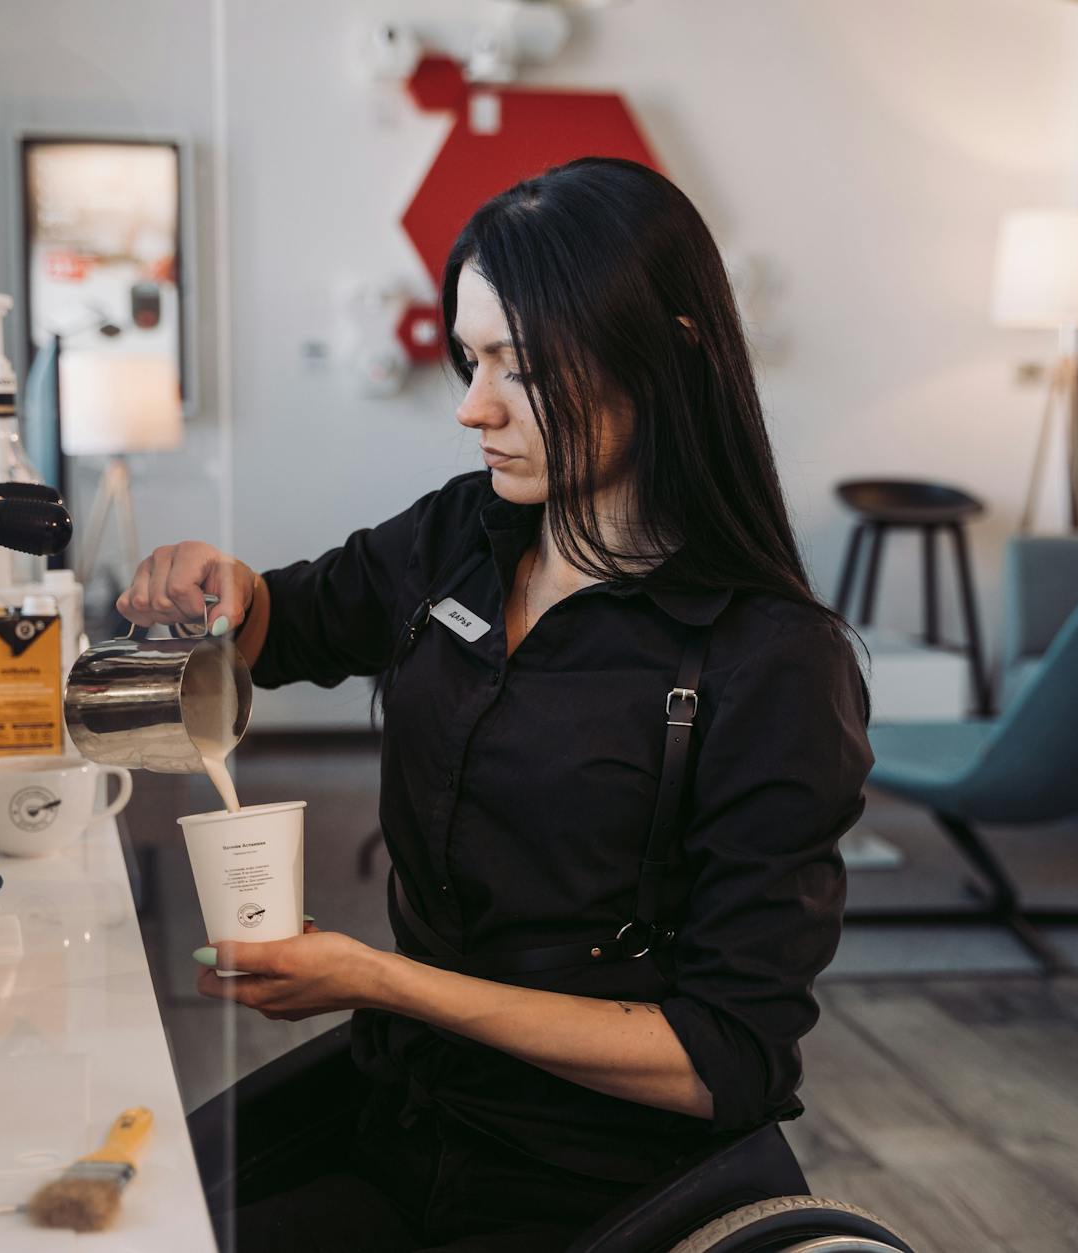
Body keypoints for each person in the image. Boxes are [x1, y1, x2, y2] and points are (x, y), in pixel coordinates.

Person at [119, 157, 873, 1253]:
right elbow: (287, 620)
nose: (474, 408)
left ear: (664, 352)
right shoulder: (457, 536)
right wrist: (220, 585)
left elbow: (725, 1057)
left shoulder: (772, 663)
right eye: (469, 359)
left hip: (587, 1183)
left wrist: (382, 979)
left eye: (520, 368)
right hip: (402, 1113)